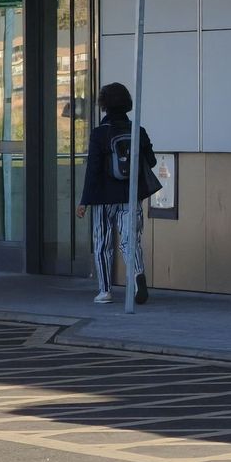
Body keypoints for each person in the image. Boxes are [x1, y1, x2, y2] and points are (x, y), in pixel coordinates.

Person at [77, 82, 161, 305]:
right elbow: (151, 161)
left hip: (103, 198)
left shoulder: (99, 134)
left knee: (103, 243)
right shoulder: (138, 131)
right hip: (130, 196)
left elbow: (92, 169)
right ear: (127, 103)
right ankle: (136, 276)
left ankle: (105, 291)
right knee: (129, 240)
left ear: (104, 105)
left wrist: (84, 201)